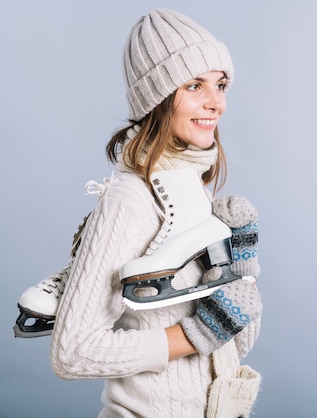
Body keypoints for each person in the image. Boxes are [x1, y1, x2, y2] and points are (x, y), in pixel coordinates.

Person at [49, 9, 263, 417]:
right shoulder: (130, 200)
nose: (215, 102)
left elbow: (230, 345)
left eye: (220, 84)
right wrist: (195, 333)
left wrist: (243, 270)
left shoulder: (195, 193)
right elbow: (72, 353)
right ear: (158, 98)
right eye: (194, 85)